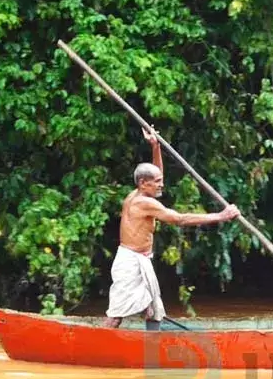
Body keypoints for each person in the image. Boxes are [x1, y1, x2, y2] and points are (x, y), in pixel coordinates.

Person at [103, 127, 240, 330]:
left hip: (141, 260)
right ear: (143, 183)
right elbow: (179, 219)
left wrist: (155, 146)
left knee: (154, 311)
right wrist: (220, 216)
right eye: (157, 182)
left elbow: (156, 172)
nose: (161, 185)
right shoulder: (141, 202)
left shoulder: (141, 192)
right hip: (130, 263)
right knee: (116, 315)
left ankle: (152, 352)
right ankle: (94, 349)